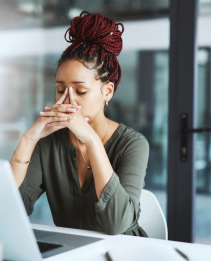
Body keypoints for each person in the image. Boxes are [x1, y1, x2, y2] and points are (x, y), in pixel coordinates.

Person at [10, 11, 149, 236]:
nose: (68, 100)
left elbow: (117, 225)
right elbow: (13, 208)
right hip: (71, 254)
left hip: (124, 254)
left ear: (108, 92)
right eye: (60, 90)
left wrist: (91, 140)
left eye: (81, 91)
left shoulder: (132, 144)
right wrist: (28, 139)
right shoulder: (48, 143)